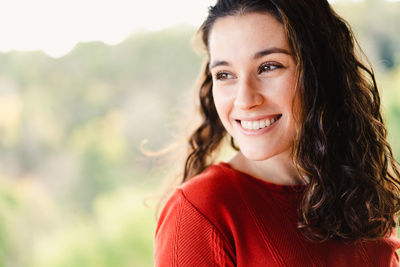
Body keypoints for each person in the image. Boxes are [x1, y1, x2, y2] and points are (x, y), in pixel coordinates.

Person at [153, 0, 400, 266]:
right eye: (224, 74)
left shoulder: (357, 193)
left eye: (269, 66)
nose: (245, 99)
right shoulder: (200, 211)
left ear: (321, 71)